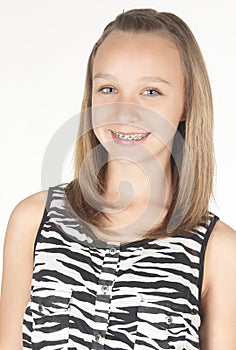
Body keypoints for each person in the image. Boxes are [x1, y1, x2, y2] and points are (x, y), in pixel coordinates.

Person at [0, 8, 236, 350]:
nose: (125, 111)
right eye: (108, 88)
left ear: (186, 104)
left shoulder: (219, 251)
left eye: (151, 92)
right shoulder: (33, 221)